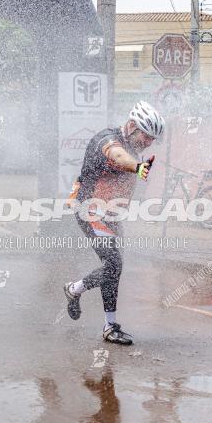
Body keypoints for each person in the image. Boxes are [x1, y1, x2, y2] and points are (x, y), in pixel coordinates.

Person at [63, 101, 165, 345]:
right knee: (114, 264)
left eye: (153, 139)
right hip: (90, 210)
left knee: (113, 269)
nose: (148, 142)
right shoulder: (107, 140)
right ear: (131, 126)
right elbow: (116, 156)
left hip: (110, 214)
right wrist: (137, 166)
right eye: (146, 136)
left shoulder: (132, 146)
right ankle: (79, 294)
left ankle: (105, 321)